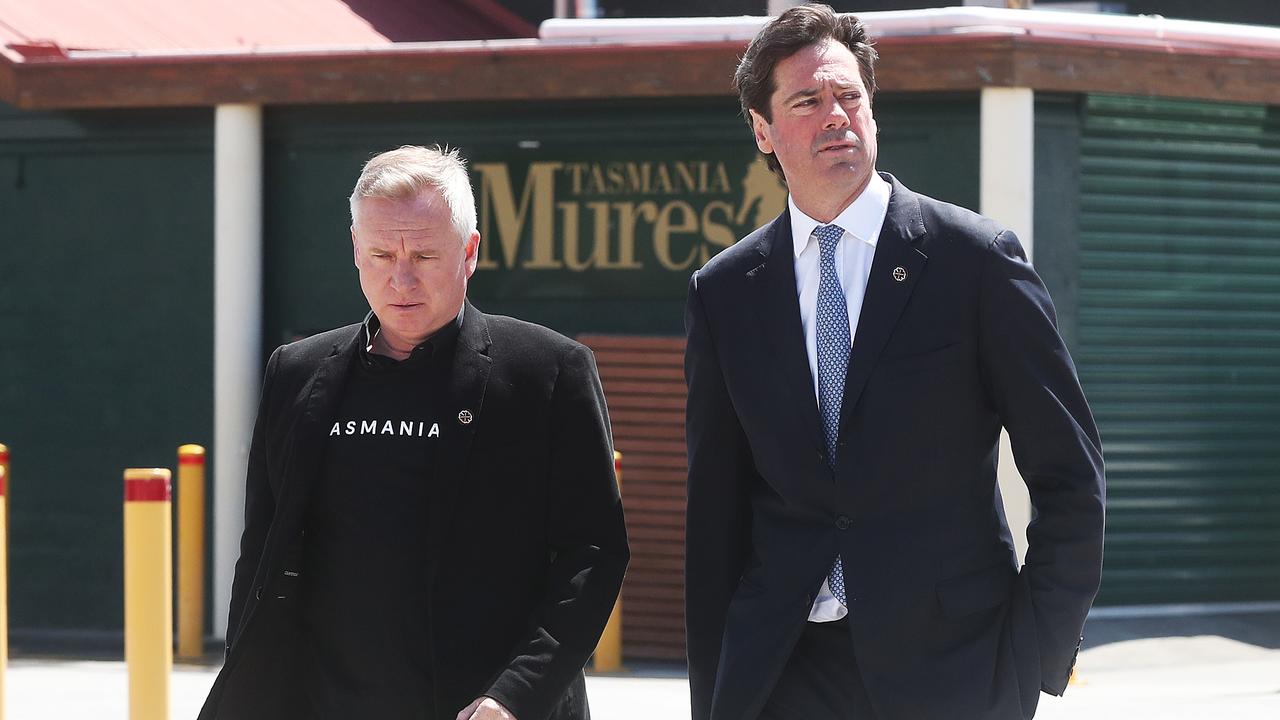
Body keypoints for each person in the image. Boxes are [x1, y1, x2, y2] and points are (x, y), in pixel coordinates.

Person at [683, 5, 1105, 720]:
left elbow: (1071, 476)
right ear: (762, 130)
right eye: (808, 101)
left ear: (873, 109)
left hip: (952, 671)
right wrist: (716, 694)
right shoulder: (725, 292)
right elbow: (715, 518)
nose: (836, 116)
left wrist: (1032, 657)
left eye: (849, 96)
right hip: (782, 672)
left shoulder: (975, 262)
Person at [199, 145, 629, 720]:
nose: (401, 279)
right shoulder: (296, 373)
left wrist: (516, 694)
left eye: (424, 255)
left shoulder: (548, 372)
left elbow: (593, 553)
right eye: (380, 254)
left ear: (470, 252)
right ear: (355, 250)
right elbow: (262, 555)